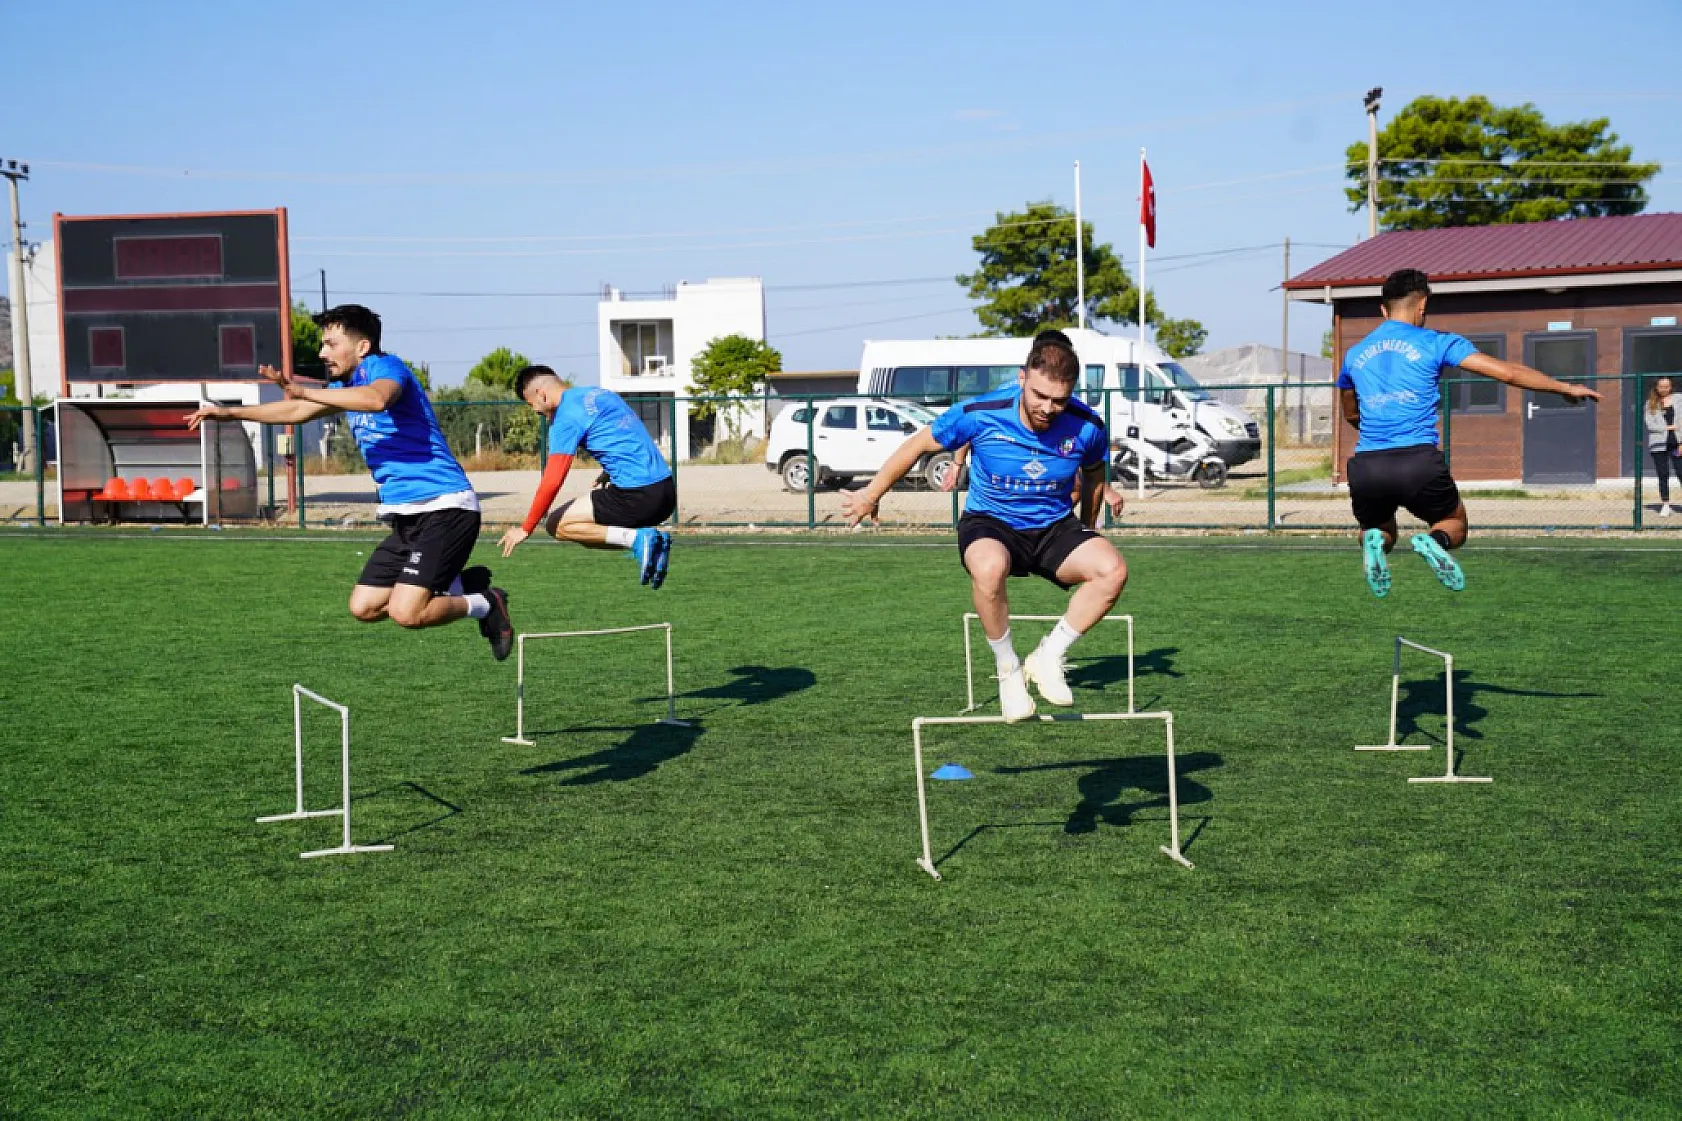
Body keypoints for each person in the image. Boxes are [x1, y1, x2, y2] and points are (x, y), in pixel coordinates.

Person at [185, 304, 513, 658]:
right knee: (365, 607)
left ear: (362, 347)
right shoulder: (345, 386)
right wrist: (229, 412)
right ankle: (459, 582)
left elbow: (376, 399)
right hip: (406, 518)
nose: (323, 352)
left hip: (445, 507)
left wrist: (303, 391)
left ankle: (486, 603)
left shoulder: (386, 367)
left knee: (407, 613)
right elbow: (295, 411)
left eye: (331, 343)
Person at [841, 331, 1127, 722]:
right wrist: (871, 494)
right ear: (1022, 378)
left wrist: (1087, 530)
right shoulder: (980, 412)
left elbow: (1094, 477)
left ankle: (1048, 656)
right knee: (990, 568)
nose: (1047, 408)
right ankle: (1009, 671)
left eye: (1058, 400)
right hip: (990, 522)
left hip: (1052, 525)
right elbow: (915, 447)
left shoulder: (1088, 426)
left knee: (1112, 570)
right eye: (1039, 396)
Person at [1338, 269, 1600, 597]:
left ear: (1383, 310)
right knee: (1455, 523)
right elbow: (1508, 373)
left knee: (1376, 528)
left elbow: (1350, 412)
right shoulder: (1437, 342)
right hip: (1418, 459)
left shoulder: (1354, 354)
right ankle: (1434, 542)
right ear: (1422, 306)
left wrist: (1378, 431)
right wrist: (1563, 387)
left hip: (1367, 463)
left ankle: (1374, 543)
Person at [498, 366, 675, 587]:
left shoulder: (565, 417)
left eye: (535, 408)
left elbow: (552, 481)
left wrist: (525, 529)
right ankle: (650, 543)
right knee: (594, 534)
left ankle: (639, 539)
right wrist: (608, 472)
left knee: (557, 525)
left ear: (541, 395)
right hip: (666, 491)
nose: (541, 415)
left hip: (637, 496)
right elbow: (628, 433)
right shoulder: (598, 393)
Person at [1643, 376, 1680, 517]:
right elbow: (1651, 425)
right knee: (1663, 474)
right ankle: (1665, 505)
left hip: (1676, 444)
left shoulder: (1679, 399)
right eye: (1661, 386)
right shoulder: (1649, 404)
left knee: (1681, 472)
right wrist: (1669, 427)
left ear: (1671, 387)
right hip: (1658, 445)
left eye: (1667, 386)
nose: (1664, 389)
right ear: (1657, 388)